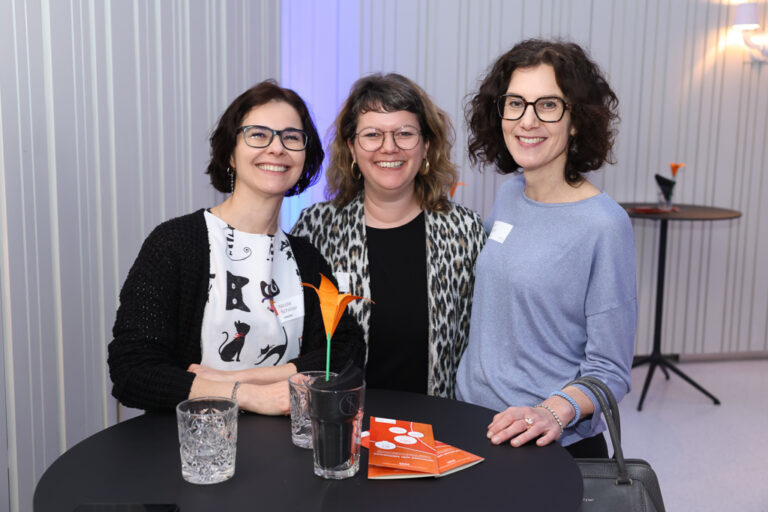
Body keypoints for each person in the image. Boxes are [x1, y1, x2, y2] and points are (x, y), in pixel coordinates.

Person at [108, 81, 364, 414]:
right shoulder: (176, 244)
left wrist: (244, 377)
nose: (277, 148)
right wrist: (248, 395)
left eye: (291, 137)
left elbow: (346, 352)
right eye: (258, 134)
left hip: (285, 442)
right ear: (230, 153)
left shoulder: (307, 258)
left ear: (305, 156)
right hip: (192, 442)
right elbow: (132, 371)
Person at [456, 39, 637, 458]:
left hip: (540, 441)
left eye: (548, 105)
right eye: (515, 103)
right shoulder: (510, 194)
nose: (528, 120)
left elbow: (611, 369)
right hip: (472, 422)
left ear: (576, 120)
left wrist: (550, 413)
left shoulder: (604, 225)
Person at [291, 73, 486, 398]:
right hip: (341, 420)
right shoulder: (317, 227)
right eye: (372, 135)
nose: (389, 147)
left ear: (426, 145)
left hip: (439, 421)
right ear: (352, 147)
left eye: (404, 133)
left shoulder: (464, 231)